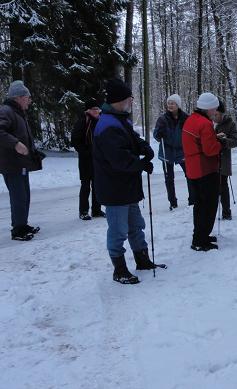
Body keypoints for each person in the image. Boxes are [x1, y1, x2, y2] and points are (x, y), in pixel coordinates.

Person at [93, 78, 165, 285]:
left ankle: (142, 259)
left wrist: (144, 147)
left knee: (136, 225)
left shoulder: (119, 118)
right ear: (118, 100)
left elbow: (131, 138)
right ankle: (120, 269)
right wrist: (140, 164)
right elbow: (119, 159)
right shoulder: (107, 125)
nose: (131, 101)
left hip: (127, 186)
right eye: (128, 98)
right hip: (115, 188)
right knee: (118, 230)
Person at [0, 80, 43, 241]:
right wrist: (16, 144)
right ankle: (17, 230)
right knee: (18, 196)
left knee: (24, 195)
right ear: (18, 97)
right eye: (27, 97)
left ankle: (22, 224)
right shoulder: (6, 111)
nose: (30, 100)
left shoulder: (17, 113)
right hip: (12, 164)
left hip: (21, 163)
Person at [182, 92, 222, 251]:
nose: (215, 112)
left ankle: (200, 235)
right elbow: (210, 150)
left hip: (193, 169)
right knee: (208, 205)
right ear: (208, 108)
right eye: (214, 109)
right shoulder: (205, 124)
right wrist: (220, 144)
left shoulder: (190, 120)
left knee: (199, 205)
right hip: (205, 169)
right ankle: (200, 240)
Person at [153, 94, 193, 210]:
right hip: (167, 151)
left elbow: (190, 133)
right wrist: (158, 134)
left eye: (173, 103)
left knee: (190, 175)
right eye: (169, 103)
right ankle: (173, 202)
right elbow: (156, 134)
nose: (170, 105)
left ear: (178, 105)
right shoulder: (162, 119)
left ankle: (192, 199)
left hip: (182, 151)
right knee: (169, 178)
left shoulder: (185, 118)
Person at [71, 98, 105, 220]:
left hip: (98, 159)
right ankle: (83, 211)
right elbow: (75, 140)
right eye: (94, 109)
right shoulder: (82, 121)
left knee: (97, 185)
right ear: (88, 110)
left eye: (98, 109)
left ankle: (97, 210)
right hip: (86, 159)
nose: (97, 111)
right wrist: (85, 152)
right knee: (85, 185)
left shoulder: (101, 121)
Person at [214, 99, 237, 220]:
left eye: (216, 114)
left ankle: (226, 212)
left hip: (223, 160)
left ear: (222, 114)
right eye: (213, 113)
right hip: (210, 160)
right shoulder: (208, 122)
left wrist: (224, 141)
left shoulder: (230, 124)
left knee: (223, 186)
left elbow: (235, 141)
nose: (214, 116)